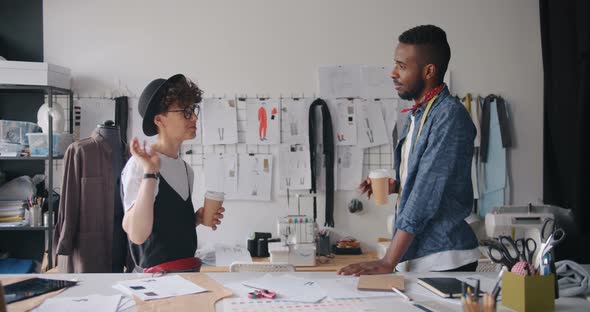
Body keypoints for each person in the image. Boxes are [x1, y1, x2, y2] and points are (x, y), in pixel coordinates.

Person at [338, 25, 479, 274]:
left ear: (428, 71)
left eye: (402, 66)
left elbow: (425, 194)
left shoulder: (449, 116)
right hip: (419, 256)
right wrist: (398, 185)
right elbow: (426, 182)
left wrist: (387, 261)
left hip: (443, 257)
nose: (393, 73)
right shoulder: (418, 114)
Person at [121, 74, 225, 273]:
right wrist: (150, 172)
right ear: (160, 119)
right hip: (156, 282)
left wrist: (195, 220)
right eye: (185, 111)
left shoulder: (186, 170)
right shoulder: (139, 165)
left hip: (189, 275)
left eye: (193, 109)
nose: (194, 117)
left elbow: (164, 231)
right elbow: (137, 234)